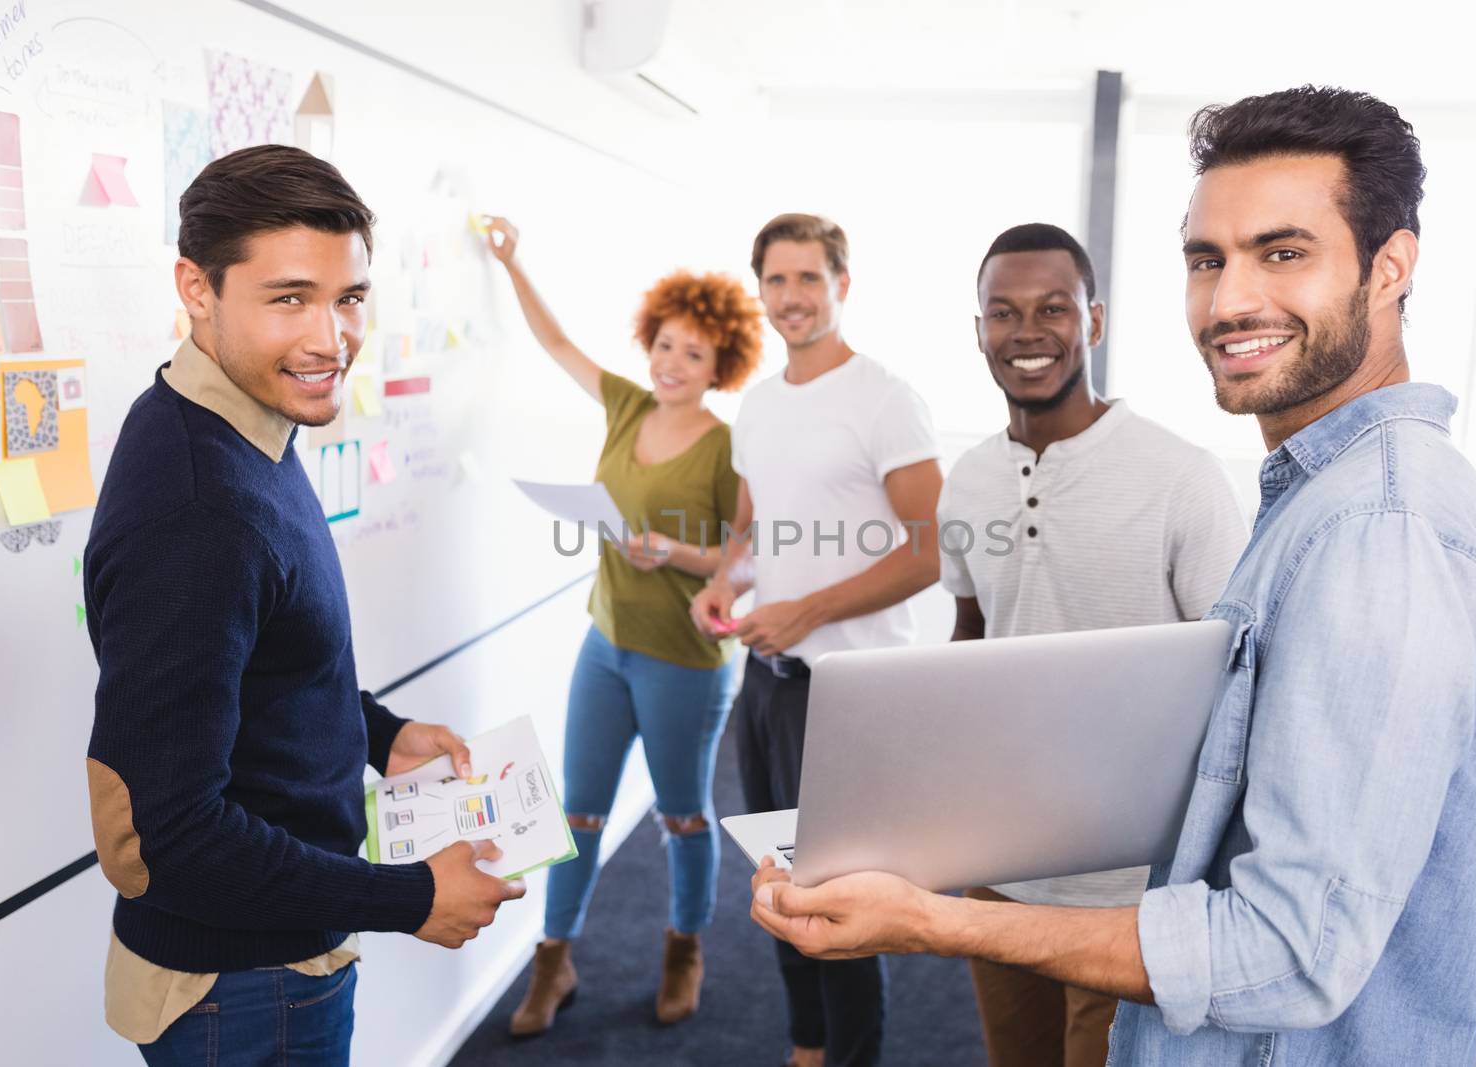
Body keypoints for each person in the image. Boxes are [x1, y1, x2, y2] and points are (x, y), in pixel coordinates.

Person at [749, 86, 1476, 1067]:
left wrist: (932, 921)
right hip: (1066, 897)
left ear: (1389, 266)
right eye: (1208, 259)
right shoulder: (1320, 501)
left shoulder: (1377, 530)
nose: (1231, 298)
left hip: (1162, 934)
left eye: (1283, 251)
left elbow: (1288, 951)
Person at [84, 146, 523, 1067]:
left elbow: (255, 662)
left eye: (350, 297)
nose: (332, 339)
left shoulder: (236, 420)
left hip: (269, 961)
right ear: (195, 288)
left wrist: (377, 732)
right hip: (243, 991)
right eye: (289, 298)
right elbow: (174, 834)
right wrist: (408, 898)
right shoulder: (202, 504)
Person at [940, 221, 1246, 1067]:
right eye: (1003, 312)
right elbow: (970, 642)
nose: (1027, 332)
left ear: (1095, 322)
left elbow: (1235, 681)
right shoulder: (966, 479)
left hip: (1130, 887)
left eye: (1053, 308)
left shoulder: (1179, 477)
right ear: (978, 331)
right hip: (999, 867)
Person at [481, 217, 766, 1035]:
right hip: (605, 646)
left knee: (682, 814)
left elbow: (742, 557)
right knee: (578, 814)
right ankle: (553, 958)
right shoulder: (624, 404)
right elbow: (557, 342)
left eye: (693, 355)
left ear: (721, 368)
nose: (671, 365)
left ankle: (684, 948)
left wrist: (672, 551)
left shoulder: (728, 448)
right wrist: (512, 262)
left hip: (683, 658)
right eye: (665, 346)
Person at [690, 213, 944, 1067]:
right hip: (765, 683)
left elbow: (929, 551)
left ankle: (853, 1057)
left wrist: (809, 611)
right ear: (759, 289)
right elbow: (753, 528)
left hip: (850, 694)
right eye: (777, 280)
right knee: (777, 881)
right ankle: (808, 1046)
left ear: (843, 284)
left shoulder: (885, 398)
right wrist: (728, 580)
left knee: (841, 896)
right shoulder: (757, 405)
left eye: (810, 279)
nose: (792, 297)